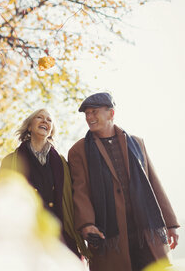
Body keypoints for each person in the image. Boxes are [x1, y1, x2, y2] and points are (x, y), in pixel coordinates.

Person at [68, 92, 179, 271]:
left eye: (94, 112)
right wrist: (87, 224)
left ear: (111, 114)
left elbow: (154, 183)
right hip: (111, 238)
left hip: (145, 231)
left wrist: (171, 224)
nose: (89, 117)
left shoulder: (137, 143)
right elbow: (81, 191)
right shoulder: (78, 151)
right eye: (86, 114)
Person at [1, 109, 87, 258]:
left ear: (51, 131)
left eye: (49, 120)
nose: (45, 121)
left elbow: (73, 199)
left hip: (59, 238)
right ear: (29, 127)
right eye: (39, 117)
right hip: (25, 238)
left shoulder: (62, 163)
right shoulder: (10, 161)